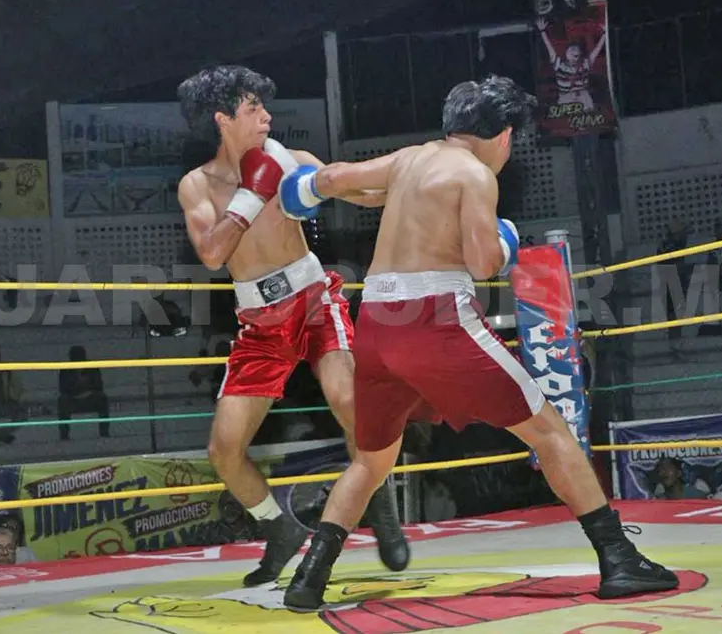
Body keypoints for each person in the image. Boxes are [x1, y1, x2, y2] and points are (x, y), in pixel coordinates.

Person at [274, 75, 678, 610]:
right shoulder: (474, 174)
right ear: (504, 134)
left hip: (374, 320)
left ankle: (309, 578)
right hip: (435, 319)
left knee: (372, 459)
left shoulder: (411, 158)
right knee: (549, 431)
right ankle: (620, 560)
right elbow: (485, 263)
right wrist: (507, 239)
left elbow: (334, 177)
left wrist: (302, 190)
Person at [176, 65, 408, 587]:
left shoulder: (291, 161)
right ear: (222, 118)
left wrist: (411, 177)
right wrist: (250, 198)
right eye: (254, 108)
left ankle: (383, 506)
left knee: (352, 404)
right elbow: (212, 254)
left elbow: (362, 193)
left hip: (312, 301)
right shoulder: (196, 186)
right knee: (225, 450)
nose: (267, 116)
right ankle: (278, 528)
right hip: (260, 323)